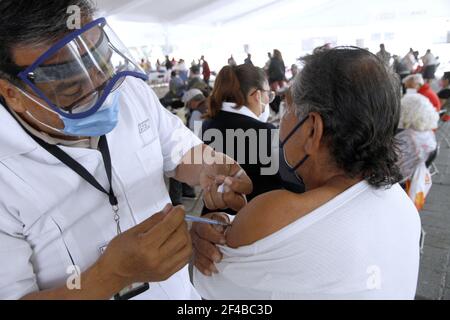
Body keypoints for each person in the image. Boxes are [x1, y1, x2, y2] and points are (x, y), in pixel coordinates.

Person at [0, 0, 253, 300]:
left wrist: (210, 166)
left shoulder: (130, 94)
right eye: (72, 90)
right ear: (12, 94)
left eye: (101, 65)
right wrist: (110, 275)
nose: (102, 93)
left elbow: (182, 151)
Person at [192, 47, 421, 299]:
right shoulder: (404, 206)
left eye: (288, 109)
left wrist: (213, 231)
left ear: (312, 130)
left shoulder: (273, 212)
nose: (280, 122)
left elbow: (210, 280)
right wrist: (229, 223)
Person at [201, 64, 284, 216]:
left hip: (213, 215)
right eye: (268, 95)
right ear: (256, 96)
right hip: (251, 220)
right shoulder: (265, 132)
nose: (269, 101)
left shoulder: (208, 124)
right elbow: (277, 187)